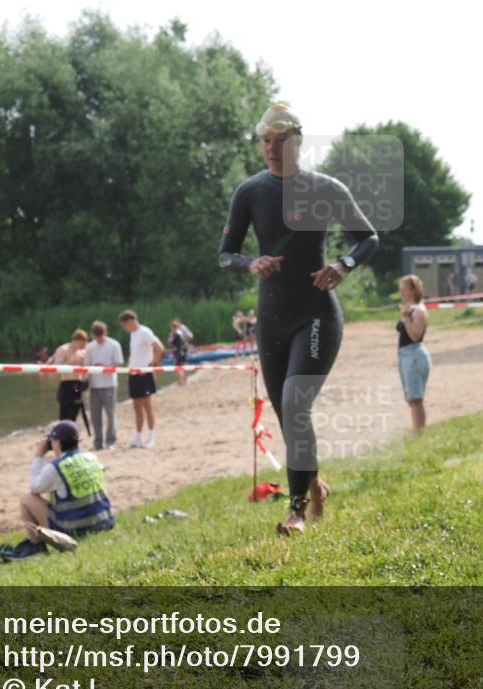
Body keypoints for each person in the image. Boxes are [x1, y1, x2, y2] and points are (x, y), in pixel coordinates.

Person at [217, 102, 379, 535]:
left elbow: (368, 237)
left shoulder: (325, 188)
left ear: (297, 143)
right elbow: (225, 255)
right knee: (290, 416)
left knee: (294, 403)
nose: (272, 148)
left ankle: (296, 509)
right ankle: (316, 485)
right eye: (265, 140)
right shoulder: (249, 193)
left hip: (316, 314)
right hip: (272, 317)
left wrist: (342, 265)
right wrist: (250, 263)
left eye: (281, 140)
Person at [7, 420, 115, 559]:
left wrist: (39, 455)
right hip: (104, 522)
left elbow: (34, 487)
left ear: (57, 443)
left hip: (74, 530)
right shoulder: (91, 458)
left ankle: (36, 546)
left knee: (27, 499)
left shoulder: (56, 468)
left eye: (52, 441)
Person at [119, 310, 164, 448]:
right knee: (136, 406)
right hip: (133, 373)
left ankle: (151, 437)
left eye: (124, 325)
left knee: (147, 406)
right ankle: (138, 437)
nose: (124, 328)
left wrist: (151, 366)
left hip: (144, 373)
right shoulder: (133, 334)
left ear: (131, 321)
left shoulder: (145, 331)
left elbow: (160, 348)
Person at [396, 275, 431, 434]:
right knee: (411, 398)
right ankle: (417, 431)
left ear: (413, 290)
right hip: (406, 355)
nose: (401, 292)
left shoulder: (418, 311)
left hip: (414, 355)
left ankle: (419, 432)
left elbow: (415, 336)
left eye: (404, 288)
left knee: (416, 399)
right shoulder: (409, 308)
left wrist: (405, 317)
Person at [84, 321, 123, 450]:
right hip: (94, 385)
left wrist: (105, 368)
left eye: (100, 335)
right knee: (95, 416)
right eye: (96, 336)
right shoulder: (90, 347)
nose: (99, 338)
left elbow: (118, 363)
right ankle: (98, 441)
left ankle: (110, 441)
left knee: (110, 414)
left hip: (109, 384)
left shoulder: (114, 345)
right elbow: (86, 365)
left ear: (105, 333)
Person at [48, 329, 88, 422]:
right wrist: (72, 365)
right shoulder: (63, 350)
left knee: (75, 410)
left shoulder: (81, 352)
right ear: (77, 340)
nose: (83, 346)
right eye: (82, 343)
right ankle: (63, 434)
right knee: (65, 412)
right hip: (66, 383)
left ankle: (71, 433)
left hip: (78, 383)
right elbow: (57, 367)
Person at [168, 319, 193, 386]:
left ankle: (181, 381)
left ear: (173, 327)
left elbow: (171, 342)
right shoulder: (181, 333)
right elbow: (189, 337)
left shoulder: (175, 334)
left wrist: (171, 339)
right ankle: (185, 380)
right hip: (184, 350)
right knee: (185, 364)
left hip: (178, 351)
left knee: (178, 366)